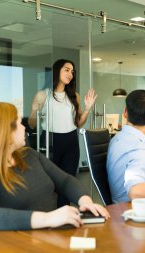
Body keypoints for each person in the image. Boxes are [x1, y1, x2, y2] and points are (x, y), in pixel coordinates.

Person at [0, 102, 109, 232]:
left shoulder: (29, 155)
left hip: (51, 236)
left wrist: (85, 202)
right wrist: (47, 219)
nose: (24, 128)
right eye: (18, 123)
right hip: (17, 244)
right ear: (3, 131)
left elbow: (65, 181)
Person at [28, 59, 97, 207]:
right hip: (50, 141)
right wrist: (34, 110)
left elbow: (78, 123)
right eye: (66, 70)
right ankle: (50, 216)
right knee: (50, 183)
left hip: (71, 142)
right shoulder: (42, 95)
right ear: (57, 71)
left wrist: (87, 108)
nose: (70, 74)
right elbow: (32, 124)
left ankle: (64, 215)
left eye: (72, 71)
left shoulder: (74, 96)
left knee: (68, 182)